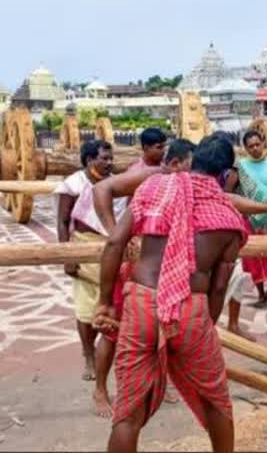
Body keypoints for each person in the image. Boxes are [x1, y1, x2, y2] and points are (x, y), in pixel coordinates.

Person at [94, 134, 249, 453]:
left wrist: (106, 302)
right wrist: (206, 325)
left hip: (141, 301)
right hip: (190, 307)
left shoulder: (154, 189)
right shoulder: (231, 221)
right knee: (214, 399)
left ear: (193, 161)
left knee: (128, 412)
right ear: (224, 174)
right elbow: (219, 286)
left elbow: (114, 243)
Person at [90, 138, 194, 417]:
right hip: (132, 268)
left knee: (162, 328)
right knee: (112, 330)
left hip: (162, 273)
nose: (192, 173)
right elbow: (102, 188)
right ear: (175, 164)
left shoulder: (185, 184)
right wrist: (116, 233)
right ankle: (100, 389)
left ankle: (158, 381)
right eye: (189, 166)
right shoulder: (155, 175)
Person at [55, 140, 127, 382]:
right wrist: (68, 256)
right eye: (103, 158)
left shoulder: (116, 182)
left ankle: (111, 352)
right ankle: (89, 355)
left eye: (110, 158)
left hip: (112, 247)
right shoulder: (73, 184)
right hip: (83, 246)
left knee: (114, 302)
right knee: (86, 308)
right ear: (88, 160)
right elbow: (63, 222)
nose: (109, 163)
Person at [225, 129, 267, 308]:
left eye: (257, 144)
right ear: (245, 149)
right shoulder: (240, 168)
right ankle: (260, 293)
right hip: (249, 217)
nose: (255, 148)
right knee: (253, 257)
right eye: (250, 146)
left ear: (263, 143)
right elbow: (229, 191)